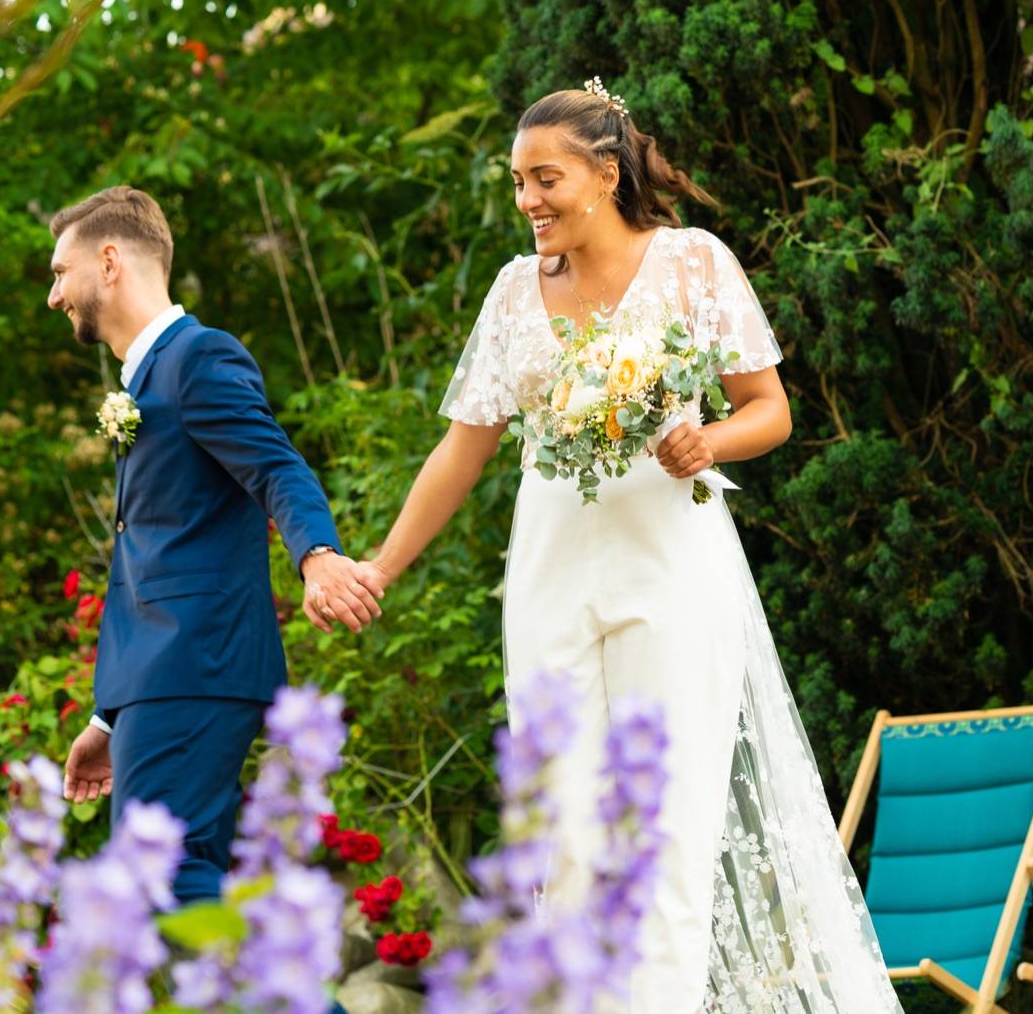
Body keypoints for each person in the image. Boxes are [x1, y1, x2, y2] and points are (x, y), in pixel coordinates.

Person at [347, 83, 902, 1012]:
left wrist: (707, 441)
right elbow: (463, 447)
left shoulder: (692, 264)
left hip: (673, 566)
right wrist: (378, 568)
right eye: (518, 182)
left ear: (606, 173)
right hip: (550, 570)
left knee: (664, 830)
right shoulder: (513, 294)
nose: (527, 200)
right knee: (560, 834)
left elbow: (770, 410)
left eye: (545, 178)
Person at [47, 185, 383, 905]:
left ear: (109, 261)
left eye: (59, 272)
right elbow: (159, 549)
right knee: (171, 881)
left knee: (155, 880)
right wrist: (112, 715)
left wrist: (317, 557)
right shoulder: (150, 376)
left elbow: (276, 467)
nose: (54, 296)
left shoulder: (197, 358)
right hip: (164, 678)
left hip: (195, 663)